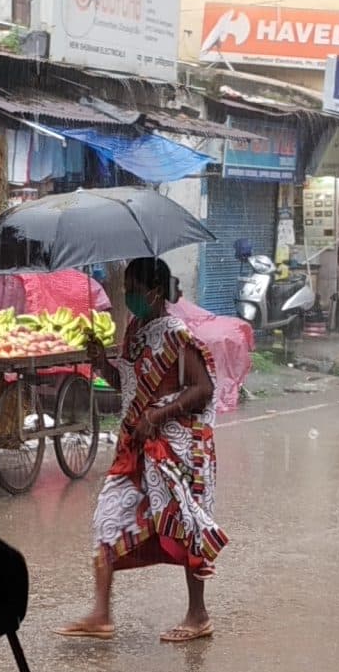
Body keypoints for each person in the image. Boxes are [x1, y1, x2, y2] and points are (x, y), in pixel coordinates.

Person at [60, 257, 226, 644]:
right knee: (107, 516)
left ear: (153, 291)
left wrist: (160, 414)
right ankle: (101, 614)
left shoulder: (176, 335)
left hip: (176, 448)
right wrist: (101, 362)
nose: (128, 296)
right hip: (136, 446)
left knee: (186, 525)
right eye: (126, 290)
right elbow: (128, 384)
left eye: (133, 290)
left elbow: (203, 389)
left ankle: (198, 615)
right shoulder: (136, 330)